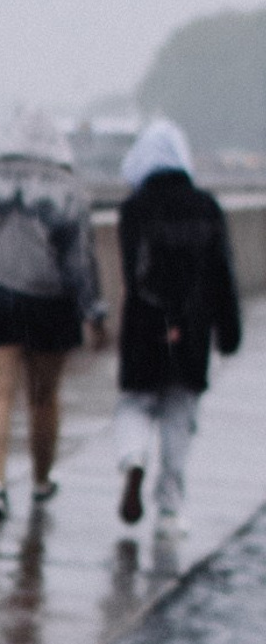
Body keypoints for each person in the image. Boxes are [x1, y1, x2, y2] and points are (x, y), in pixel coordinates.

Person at [0, 143, 104, 523]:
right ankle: (41, 480)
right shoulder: (68, 187)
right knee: (44, 396)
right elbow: (80, 259)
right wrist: (93, 311)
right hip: (51, 301)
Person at [110, 116, 242, 529]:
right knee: (179, 413)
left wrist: (157, 312)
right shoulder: (206, 207)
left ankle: (133, 458)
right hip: (194, 325)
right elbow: (222, 273)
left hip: (145, 323)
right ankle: (169, 509)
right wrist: (228, 330)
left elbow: (135, 272)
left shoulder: (134, 209)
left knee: (136, 401)